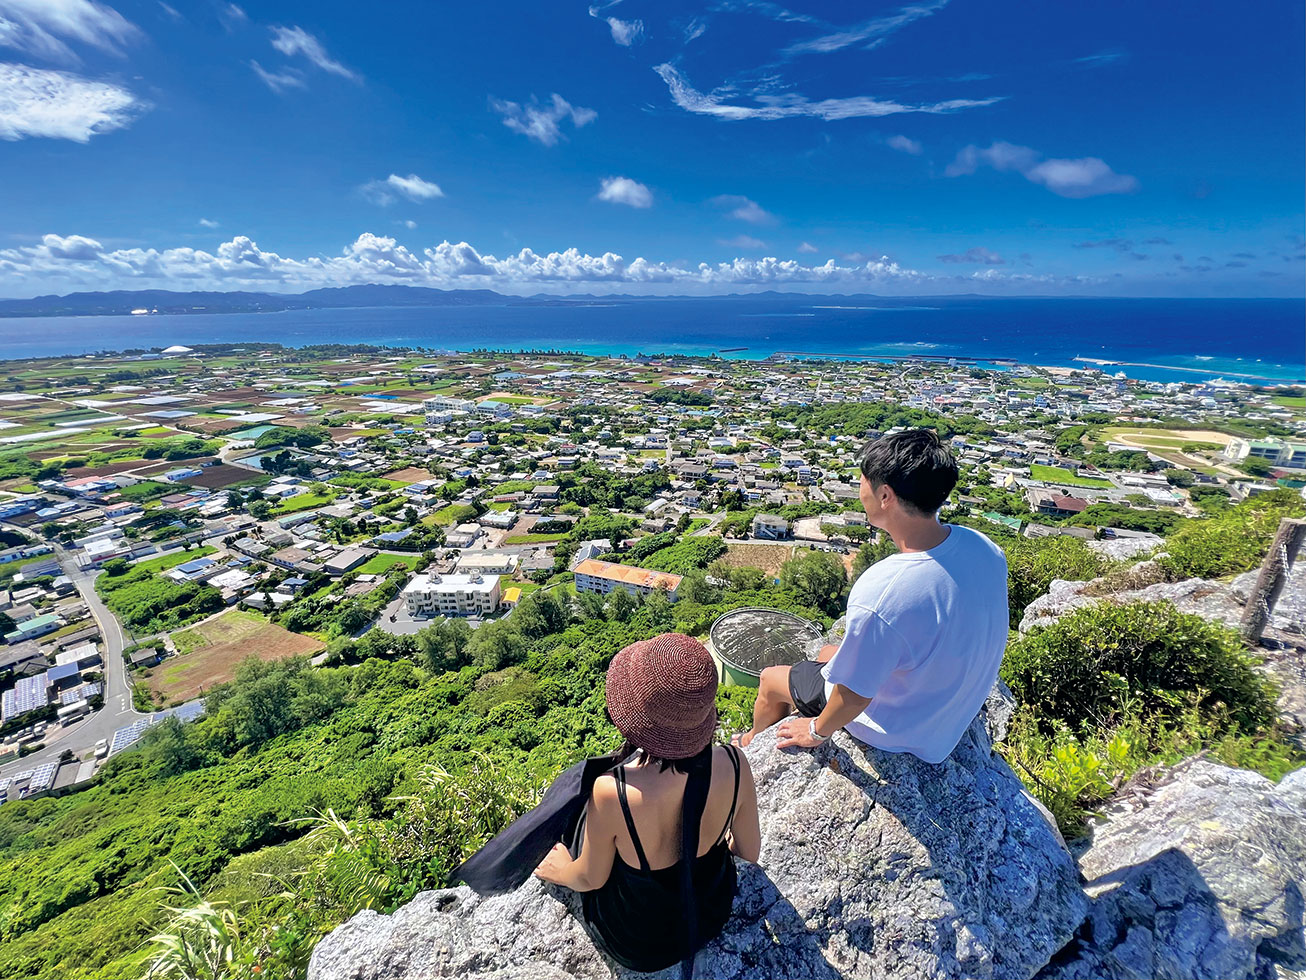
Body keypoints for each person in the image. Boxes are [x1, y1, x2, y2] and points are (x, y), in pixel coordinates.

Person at [738, 428, 1009, 764]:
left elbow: (853, 697)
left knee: (770, 679)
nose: (859, 489)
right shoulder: (983, 547)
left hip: (896, 729)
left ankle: (749, 742)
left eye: (863, 480)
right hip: (947, 716)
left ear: (885, 496)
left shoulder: (886, 590)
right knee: (827, 652)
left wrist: (817, 731)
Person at [534, 633, 761, 974]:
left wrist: (561, 870)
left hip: (639, 944)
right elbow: (749, 852)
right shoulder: (735, 762)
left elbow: (591, 879)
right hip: (710, 915)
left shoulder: (614, 792)